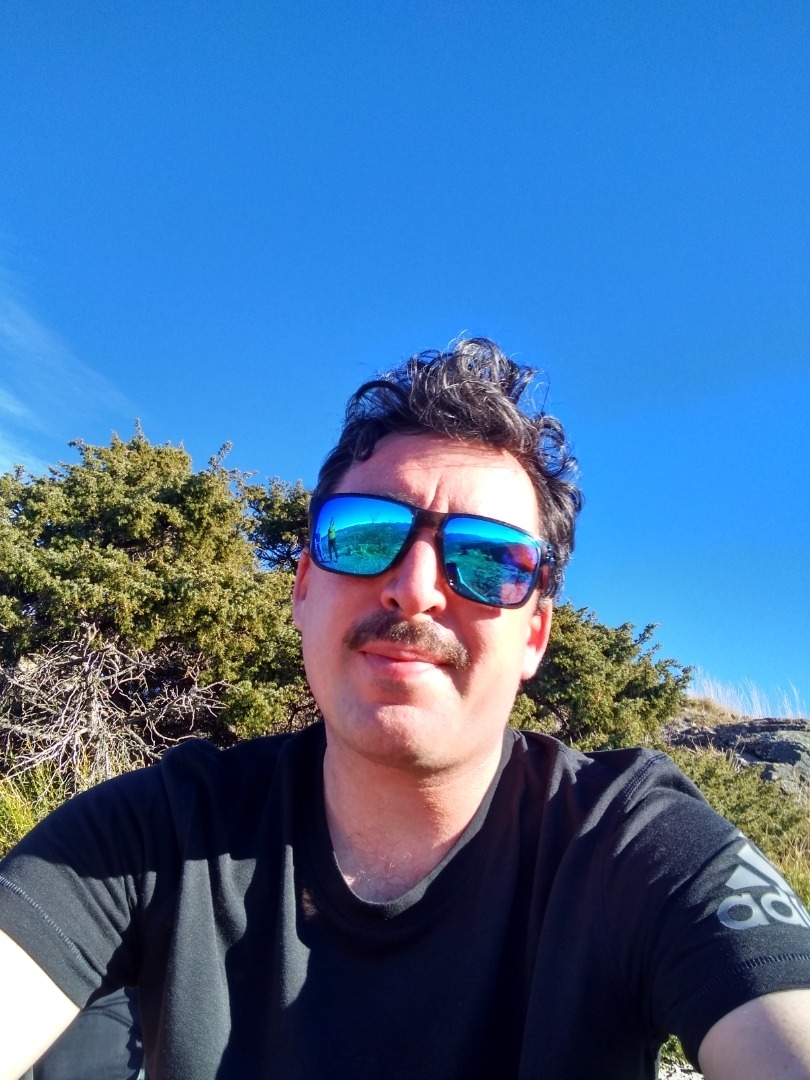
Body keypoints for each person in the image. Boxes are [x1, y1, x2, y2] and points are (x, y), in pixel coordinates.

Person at [1, 338, 809, 1080]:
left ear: (534, 635)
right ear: (304, 588)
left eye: (488, 559)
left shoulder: (632, 846)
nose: (415, 588)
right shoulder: (157, 834)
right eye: (365, 534)